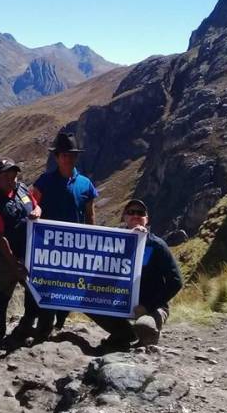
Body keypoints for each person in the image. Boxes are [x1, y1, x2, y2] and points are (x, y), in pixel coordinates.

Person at [28, 130, 99, 336]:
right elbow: (32, 202)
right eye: (63, 155)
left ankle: (60, 322)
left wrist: (92, 239)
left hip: (74, 247)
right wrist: (35, 211)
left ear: (76, 157)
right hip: (48, 247)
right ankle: (43, 328)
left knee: (68, 285)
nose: (67, 158)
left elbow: (89, 214)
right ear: (57, 157)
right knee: (48, 286)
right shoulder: (44, 181)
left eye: (71, 155)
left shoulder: (86, 184)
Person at [88, 199, 183, 349]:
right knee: (87, 303)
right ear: (124, 218)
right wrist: (128, 242)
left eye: (140, 213)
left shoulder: (157, 245)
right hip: (121, 303)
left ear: (147, 219)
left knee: (145, 327)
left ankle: (149, 331)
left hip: (151, 307)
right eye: (131, 212)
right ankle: (124, 333)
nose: (136, 215)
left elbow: (176, 281)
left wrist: (148, 306)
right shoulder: (114, 244)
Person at [0, 159, 41, 348]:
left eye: (14, 174)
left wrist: (38, 211)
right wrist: (14, 263)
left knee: (35, 293)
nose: (11, 178)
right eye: (6, 175)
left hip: (29, 253)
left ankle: (26, 328)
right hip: (3, 259)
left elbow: (36, 205)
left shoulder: (22, 189)